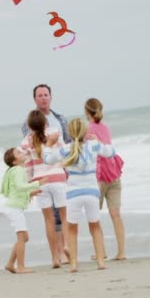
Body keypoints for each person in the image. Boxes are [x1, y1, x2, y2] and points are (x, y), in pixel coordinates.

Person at [43, 118, 115, 272]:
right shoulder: (93, 145)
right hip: (92, 193)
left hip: (73, 195)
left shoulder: (65, 149)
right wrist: (98, 140)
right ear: (85, 132)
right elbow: (111, 152)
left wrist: (49, 144)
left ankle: (74, 264)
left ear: (70, 133)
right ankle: (101, 262)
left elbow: (47, 159)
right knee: (95, 226)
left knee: (72, 230)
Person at [21, 84, 71, 265]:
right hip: (57, 176)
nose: (43, 98)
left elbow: (27, 165)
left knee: (48, 220)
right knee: (65, 217)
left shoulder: (26, 141)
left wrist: (28, 186)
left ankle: (54, 258)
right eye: (39, 95)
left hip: (40, 181)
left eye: (46, 95)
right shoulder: (53, 133)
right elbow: (64, 152)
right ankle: (67, 249)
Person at [85, 98, 126, 260]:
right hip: (114, 172)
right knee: (116, 214)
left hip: (100, 175)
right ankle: (121, 252)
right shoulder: (105, 127)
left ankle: (100, 252)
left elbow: (89, 153)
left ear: (87, 112)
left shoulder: (88, 130)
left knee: (94, 215)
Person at [0, 147, 48, 274]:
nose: (22, 152)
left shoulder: (15, 170)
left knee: (24, 237)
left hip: (14, 207)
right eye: (18, 153)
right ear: (15, 161)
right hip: (14, 208)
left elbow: (16, 190)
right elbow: (21, 187)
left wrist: (31, 193)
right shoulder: (18, 170)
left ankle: (10, 264)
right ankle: (20, 267)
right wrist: (38, 183)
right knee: (22, 237)